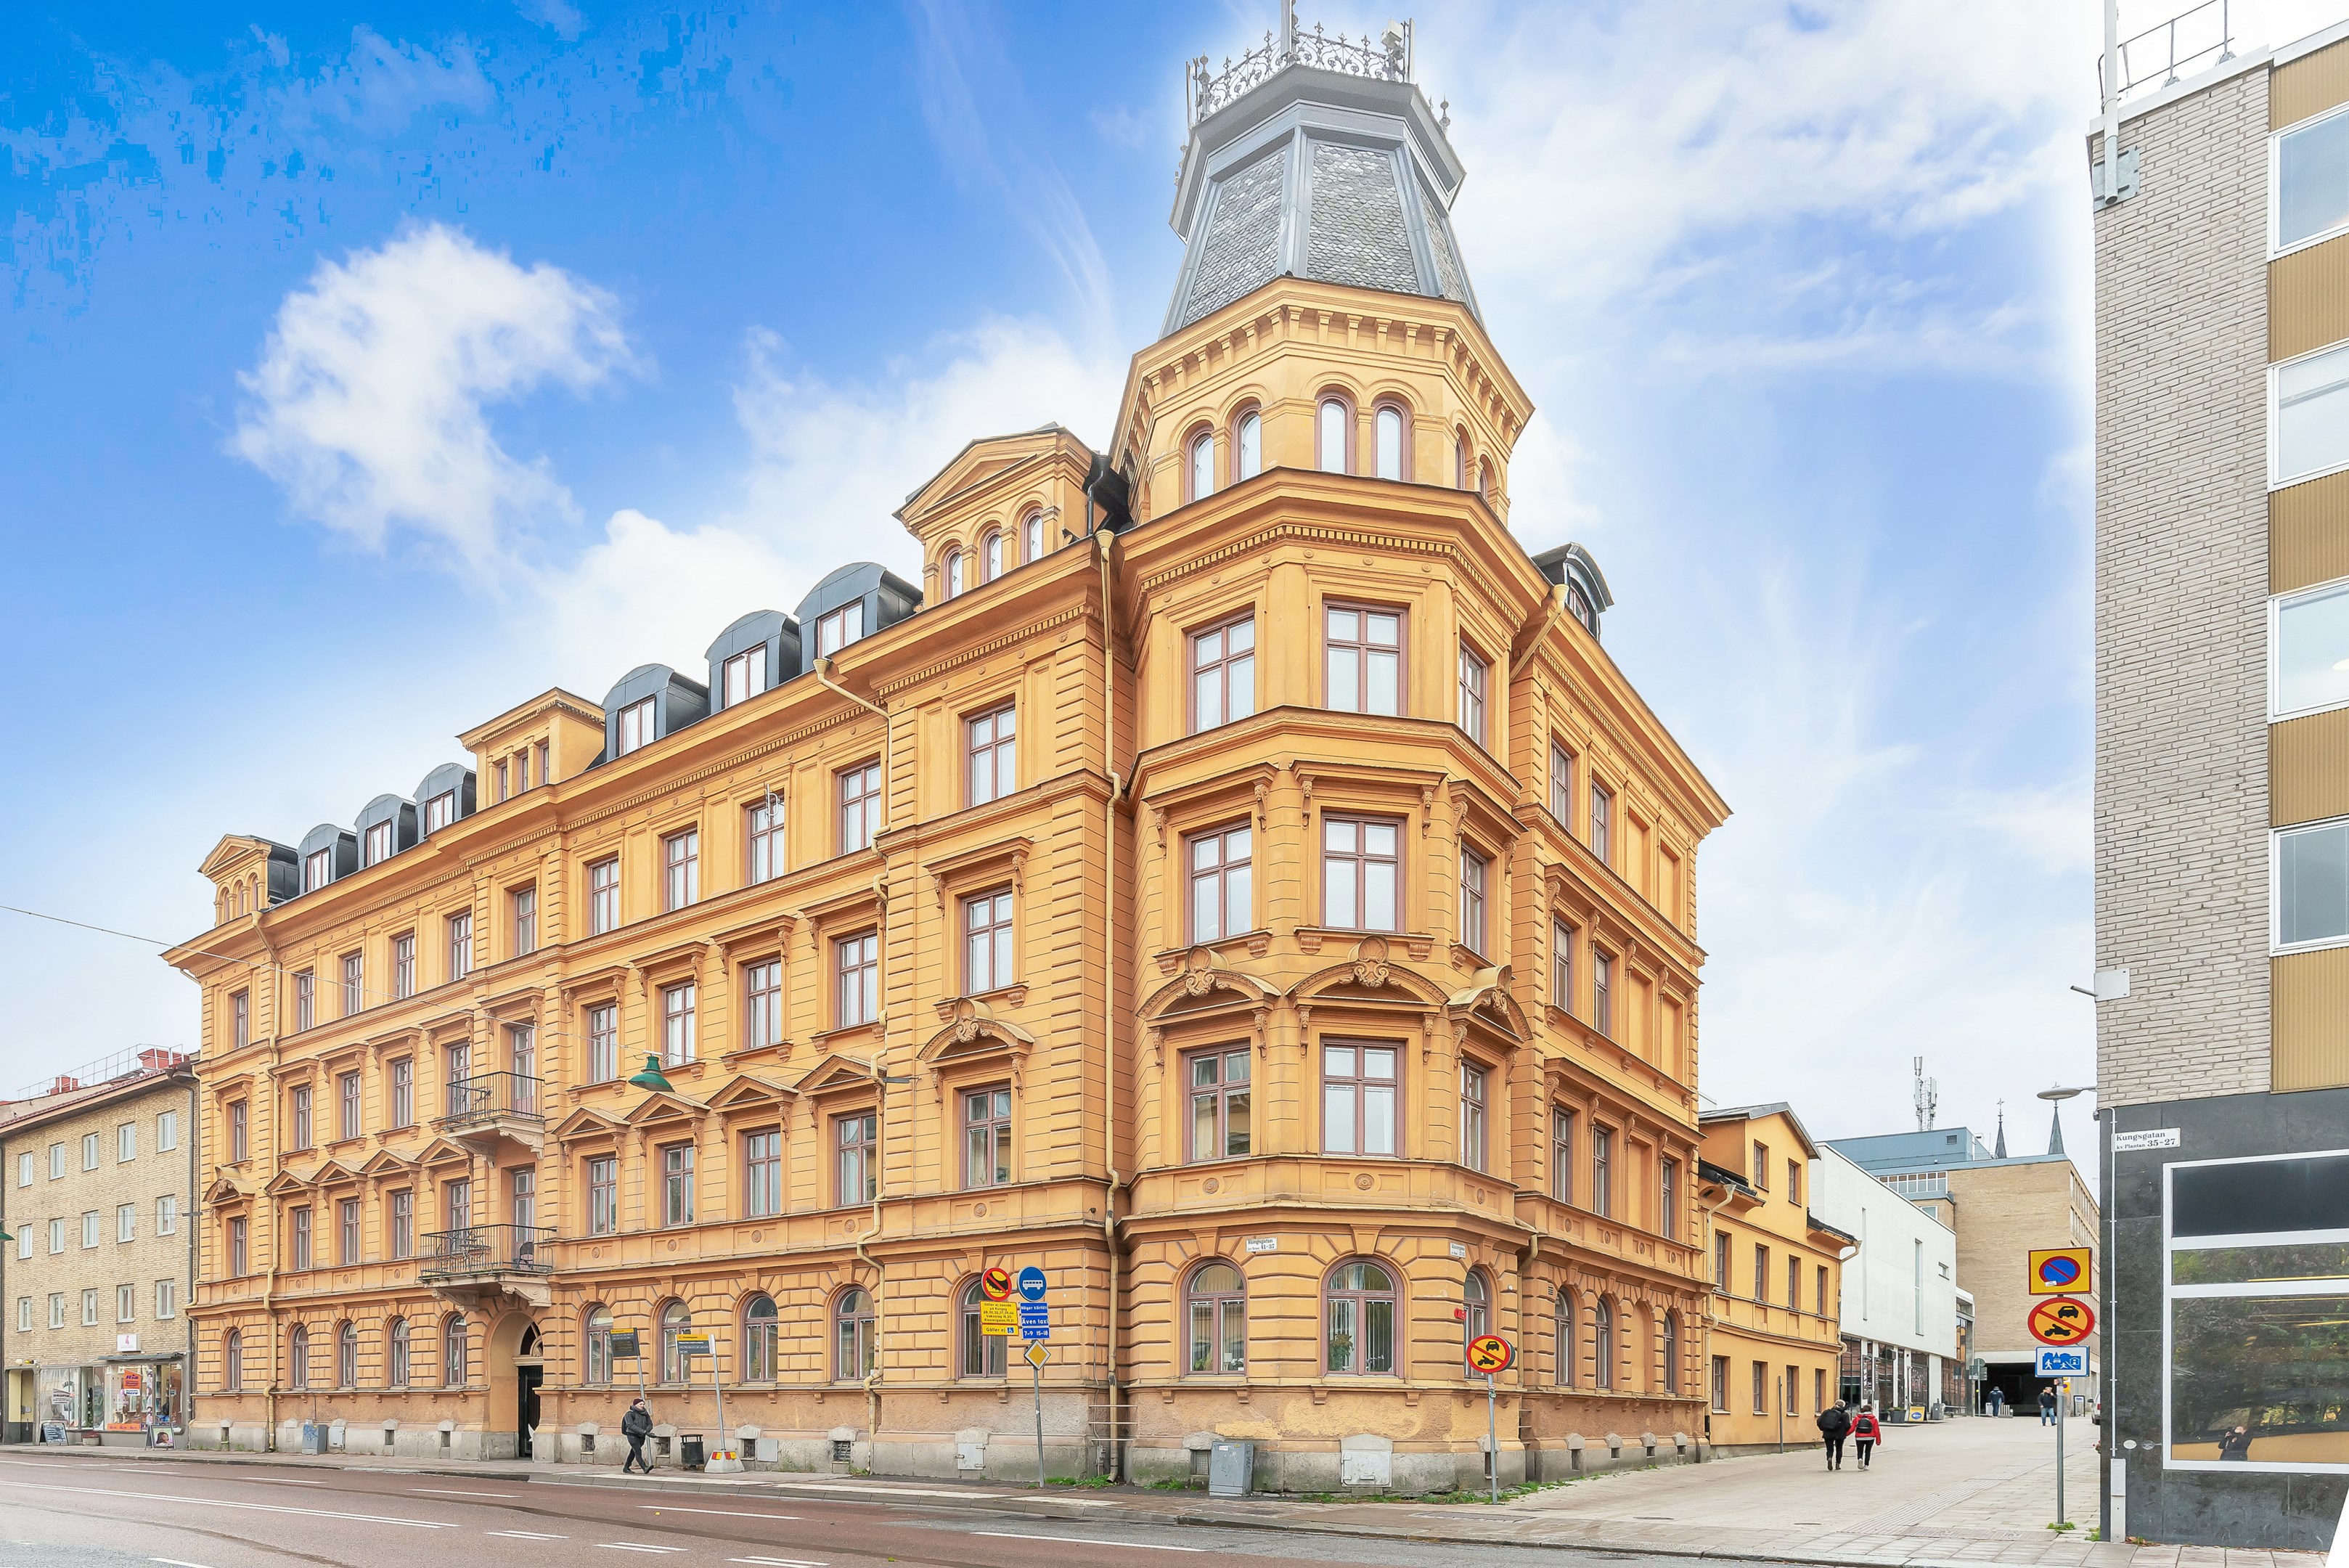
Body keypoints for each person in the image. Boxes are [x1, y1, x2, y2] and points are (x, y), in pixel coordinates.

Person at [1816, 1398, 1852, 1471]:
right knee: (1839, 1449)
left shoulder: (1826, 1412)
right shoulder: (1844, 1414)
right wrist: (1844, 1431)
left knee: (1829, 1449)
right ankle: (1838, 1464)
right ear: (1843, 1406)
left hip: (1828, 1433)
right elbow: (1848, 1425)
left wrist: (1823, 1429)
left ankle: (1829, 1458)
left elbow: (1819, 1421)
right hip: (1840, 1434)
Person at [621, 1397, 654, 1474]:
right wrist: (644, 1432)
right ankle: (644, 1467)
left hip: (641, 1436)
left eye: (643, 1404)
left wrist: (647, 1431)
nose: (642, 1406)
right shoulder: (630, 1414)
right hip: (632, 1435)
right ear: (635, 1405)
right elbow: (630, 1425)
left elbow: (650, 1424)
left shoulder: (645, 1414)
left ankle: (626, 1467)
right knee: (638, 1451)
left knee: (633, 1452)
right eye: (640, 1404)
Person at [1851, 1403, 1884, 1469]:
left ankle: (1860, 1459)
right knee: (1868, 1451)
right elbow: (1877, 1430)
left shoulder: (1857, 1418)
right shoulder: (1874, 1419)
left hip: (1859, 1437)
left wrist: (1846, 1434)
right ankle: (1866, 1465)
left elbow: (1852, 1428)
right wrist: (1878, 1441)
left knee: (1859, 1450)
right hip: (1870, 1437)